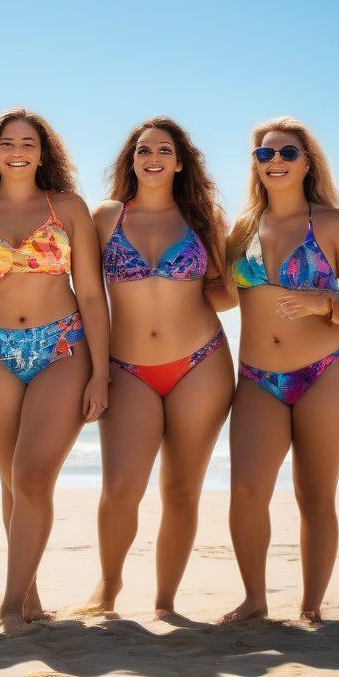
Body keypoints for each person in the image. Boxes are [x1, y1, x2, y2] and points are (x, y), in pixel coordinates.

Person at [0, 108, 108, 634]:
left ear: (44, 152)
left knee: (34, 474)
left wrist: (101, 373)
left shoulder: (69, 208)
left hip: (62, 345)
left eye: (28, 143)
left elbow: (90, 293)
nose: (18, 151)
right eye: (8, 143)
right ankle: (30, 596)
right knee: (13, 479)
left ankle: (10, 605)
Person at [222, 117, 339, 624]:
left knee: (314, 491)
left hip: (328, 371)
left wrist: (324, 305)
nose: (276, 162)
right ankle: (254, 599)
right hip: (258, 378)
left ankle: (311, 607)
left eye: (287, 153)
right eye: (265, 155)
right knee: (246, 490)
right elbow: (218, 296)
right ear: (255, 165)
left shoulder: (334, 225)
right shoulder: (240, 229)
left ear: (307, 163)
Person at [84, 117, 235, 620]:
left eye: (164, 150)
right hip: (126, 368)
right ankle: (107, 589)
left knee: (182, 488)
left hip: (201, 363)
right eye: (143, 149)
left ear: (179, 160)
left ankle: (166, 603)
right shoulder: (106, 217)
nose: (153, 157)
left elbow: (221, 292)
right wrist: (95, 371)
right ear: (131, 159)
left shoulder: (201, 217)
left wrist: (246, 280)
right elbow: (87, 297)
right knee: (122, 487)